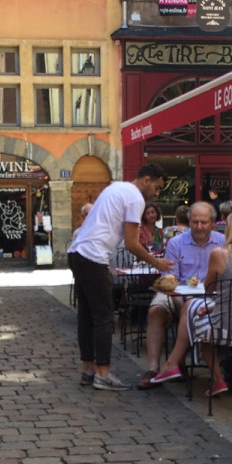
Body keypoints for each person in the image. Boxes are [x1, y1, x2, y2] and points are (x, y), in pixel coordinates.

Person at [68, 163, 174, 391]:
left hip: (77, 253)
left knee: (87, 316)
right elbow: (132, 244)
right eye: (157, 187)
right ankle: (102, 374)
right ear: (146, 180)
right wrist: (157, 262)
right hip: (94, 256)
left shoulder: (115, 187)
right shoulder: (135, 198)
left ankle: (88, 370)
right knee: (104, 318)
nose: (157, 193)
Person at [151, 210, 232, 396]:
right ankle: (205, 376)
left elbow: (208, 290)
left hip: (222, 329)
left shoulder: (220, 254)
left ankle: (179, 366)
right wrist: (213, 307)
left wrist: (209, 305)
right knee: (198, 314)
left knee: (191, 310)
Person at [138, 202, 225, 390]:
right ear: (189, 221)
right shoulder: (177, 243)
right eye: (195, 222)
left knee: (192, 310)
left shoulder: (223, 243)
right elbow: (169, 278)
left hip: (212, 296)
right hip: (177, 292)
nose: (199, 227)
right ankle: (153, 368)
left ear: (213, 222)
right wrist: (179, 298)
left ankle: (178, 363)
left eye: (204, 222)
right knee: (156, 311)